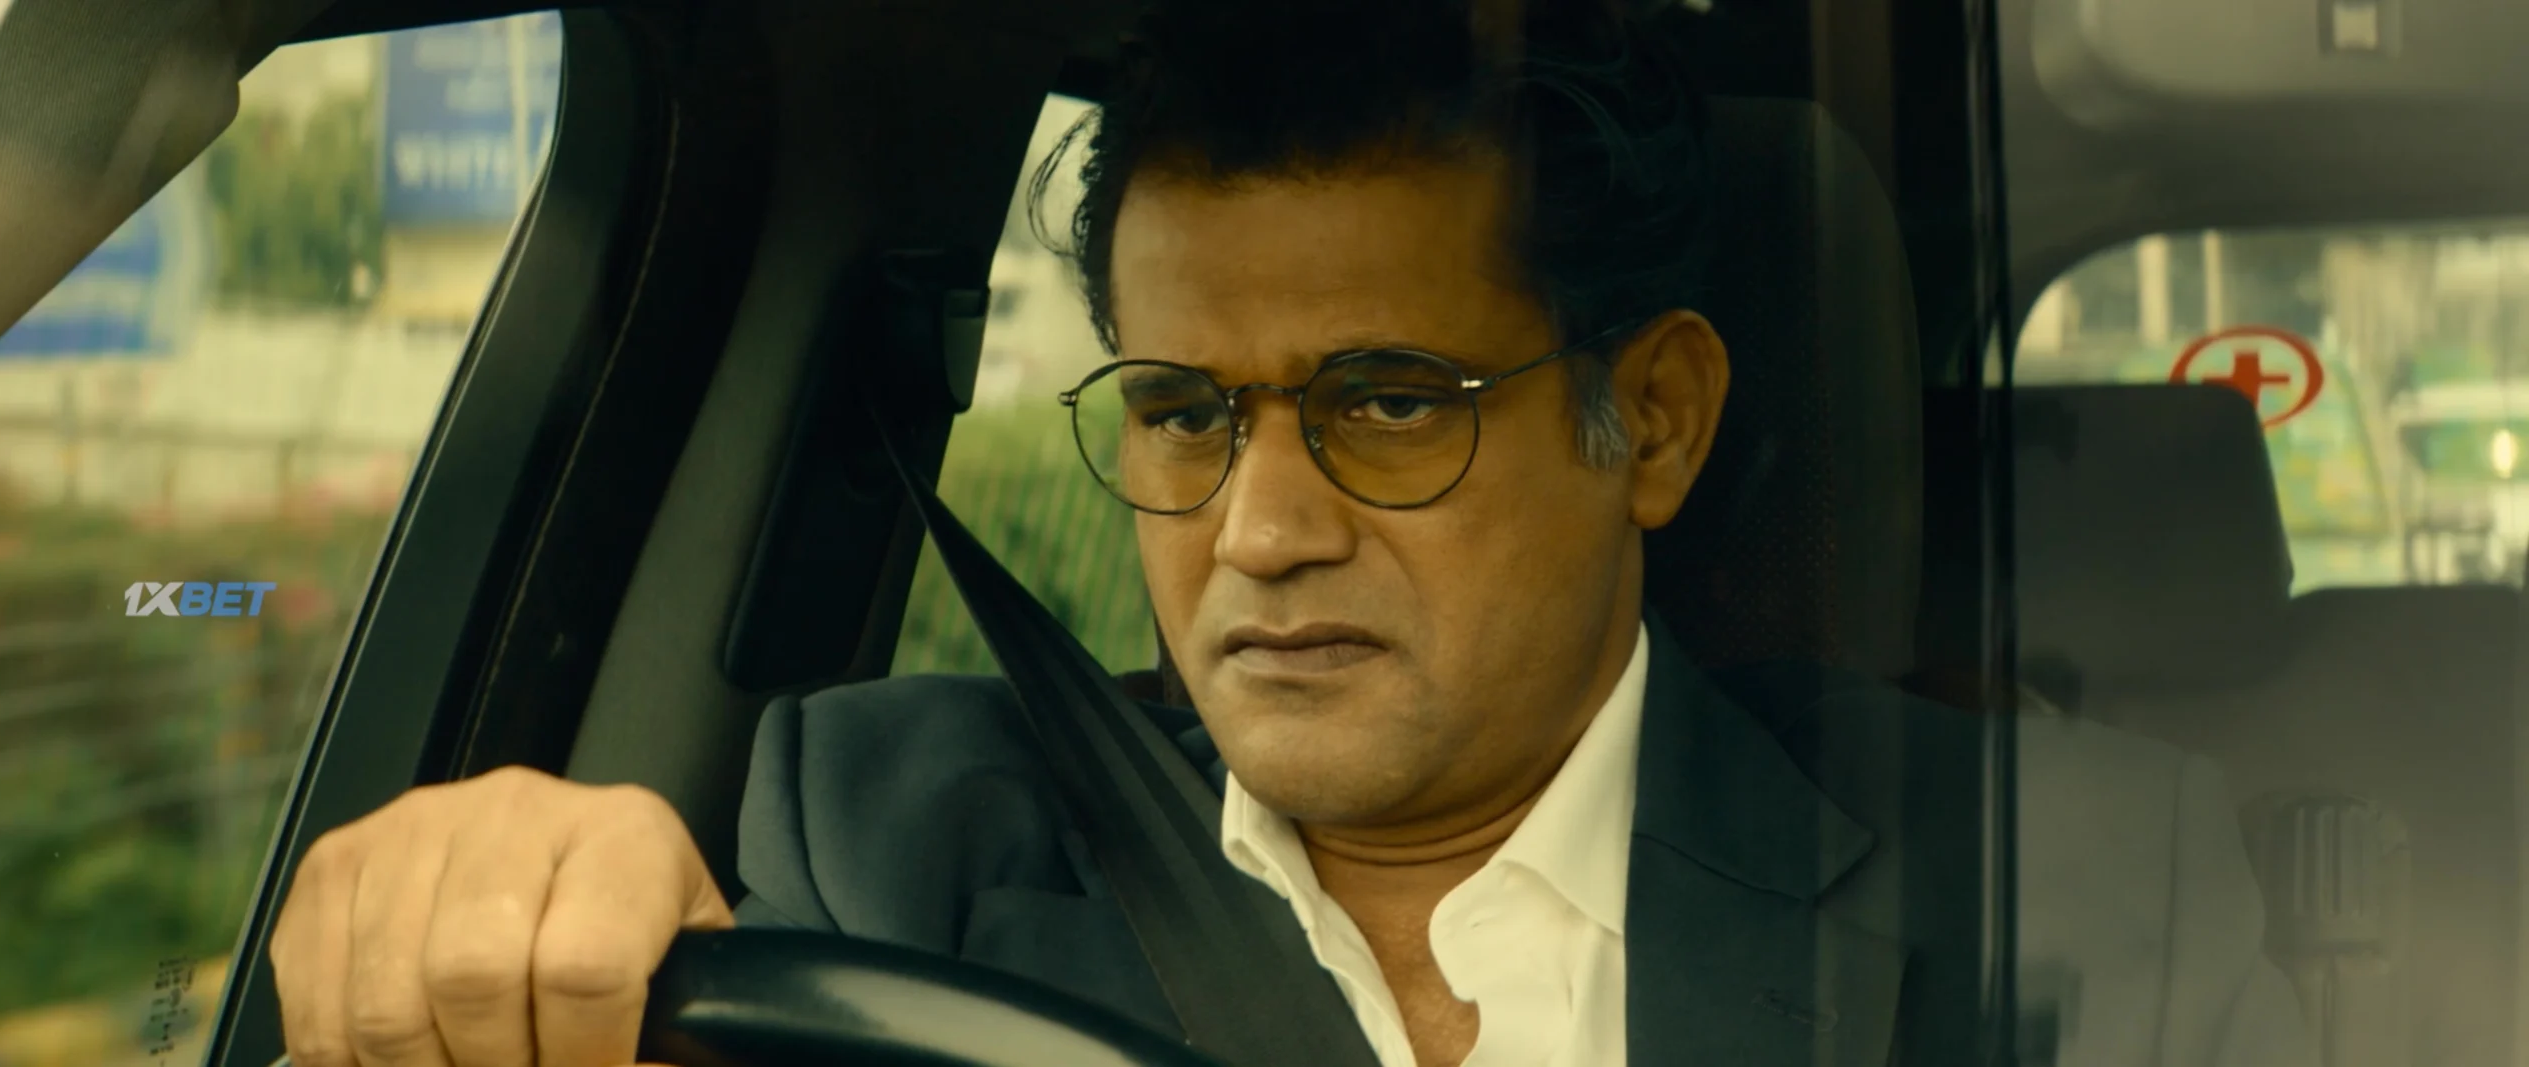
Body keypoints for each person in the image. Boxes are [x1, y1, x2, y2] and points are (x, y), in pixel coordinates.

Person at [266, 1, 2315, 1065]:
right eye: (1179, 412)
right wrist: (499, 918)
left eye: (1386, 402)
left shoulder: (2067, 884)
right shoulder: (883, 841)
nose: (1255, 533)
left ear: (1655, 419)